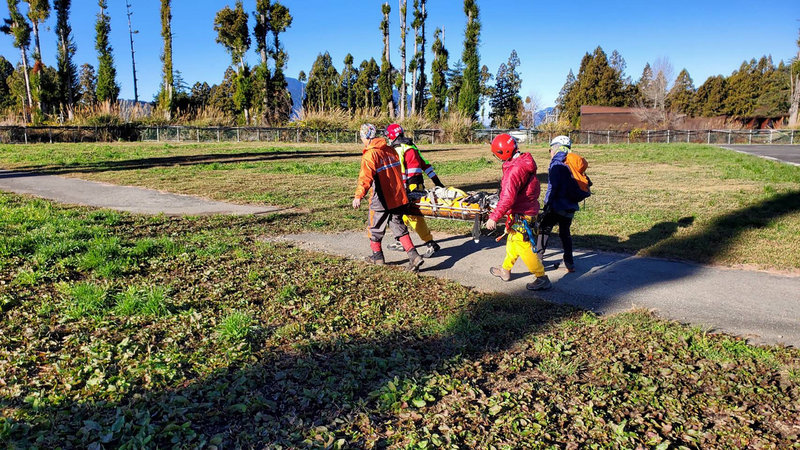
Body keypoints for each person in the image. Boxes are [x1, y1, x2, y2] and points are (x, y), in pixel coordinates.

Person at [352, 123, 424, 271]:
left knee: (374, 228)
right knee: (398, 226)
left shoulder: (370, 154)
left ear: (365, 137)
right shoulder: (391, 150)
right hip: (398, 196)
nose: (361, 139)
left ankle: (377, 258)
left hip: (381, 200)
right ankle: (414, 256)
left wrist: (358, 196)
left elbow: (365, 178)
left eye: (361, 136)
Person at [485, 133, 551, 291]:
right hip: (527, 209)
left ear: (503, 153)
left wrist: (494, 217)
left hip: (523, 213)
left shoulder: (514, 171)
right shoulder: (523, 161)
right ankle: (505, 270)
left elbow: (507, 198)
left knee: (523, 246)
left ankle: (541, 277)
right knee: (512, 242)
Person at [385, 123, 444, 257]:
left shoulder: (398, 149)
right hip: (418, 185)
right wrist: (437, 182)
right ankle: (401, 241)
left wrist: (400, 189)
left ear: (392, 136)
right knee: (402, 214)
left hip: (407, 187)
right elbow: (425, 166)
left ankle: (430, 243)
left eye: (388, 136)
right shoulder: (412, 147)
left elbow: (399, 171)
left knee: (413, 216)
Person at [537, 135, 586, 273]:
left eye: (550, 149)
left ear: (555, 148)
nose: (550, 152)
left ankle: (538, 261)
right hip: (571, 206)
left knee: (544, 229)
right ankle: (569, 264)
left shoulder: (556, 163)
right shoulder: (573, 162)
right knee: (565, 234)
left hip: (556, 206)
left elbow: (553, 186)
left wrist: (547, 204)